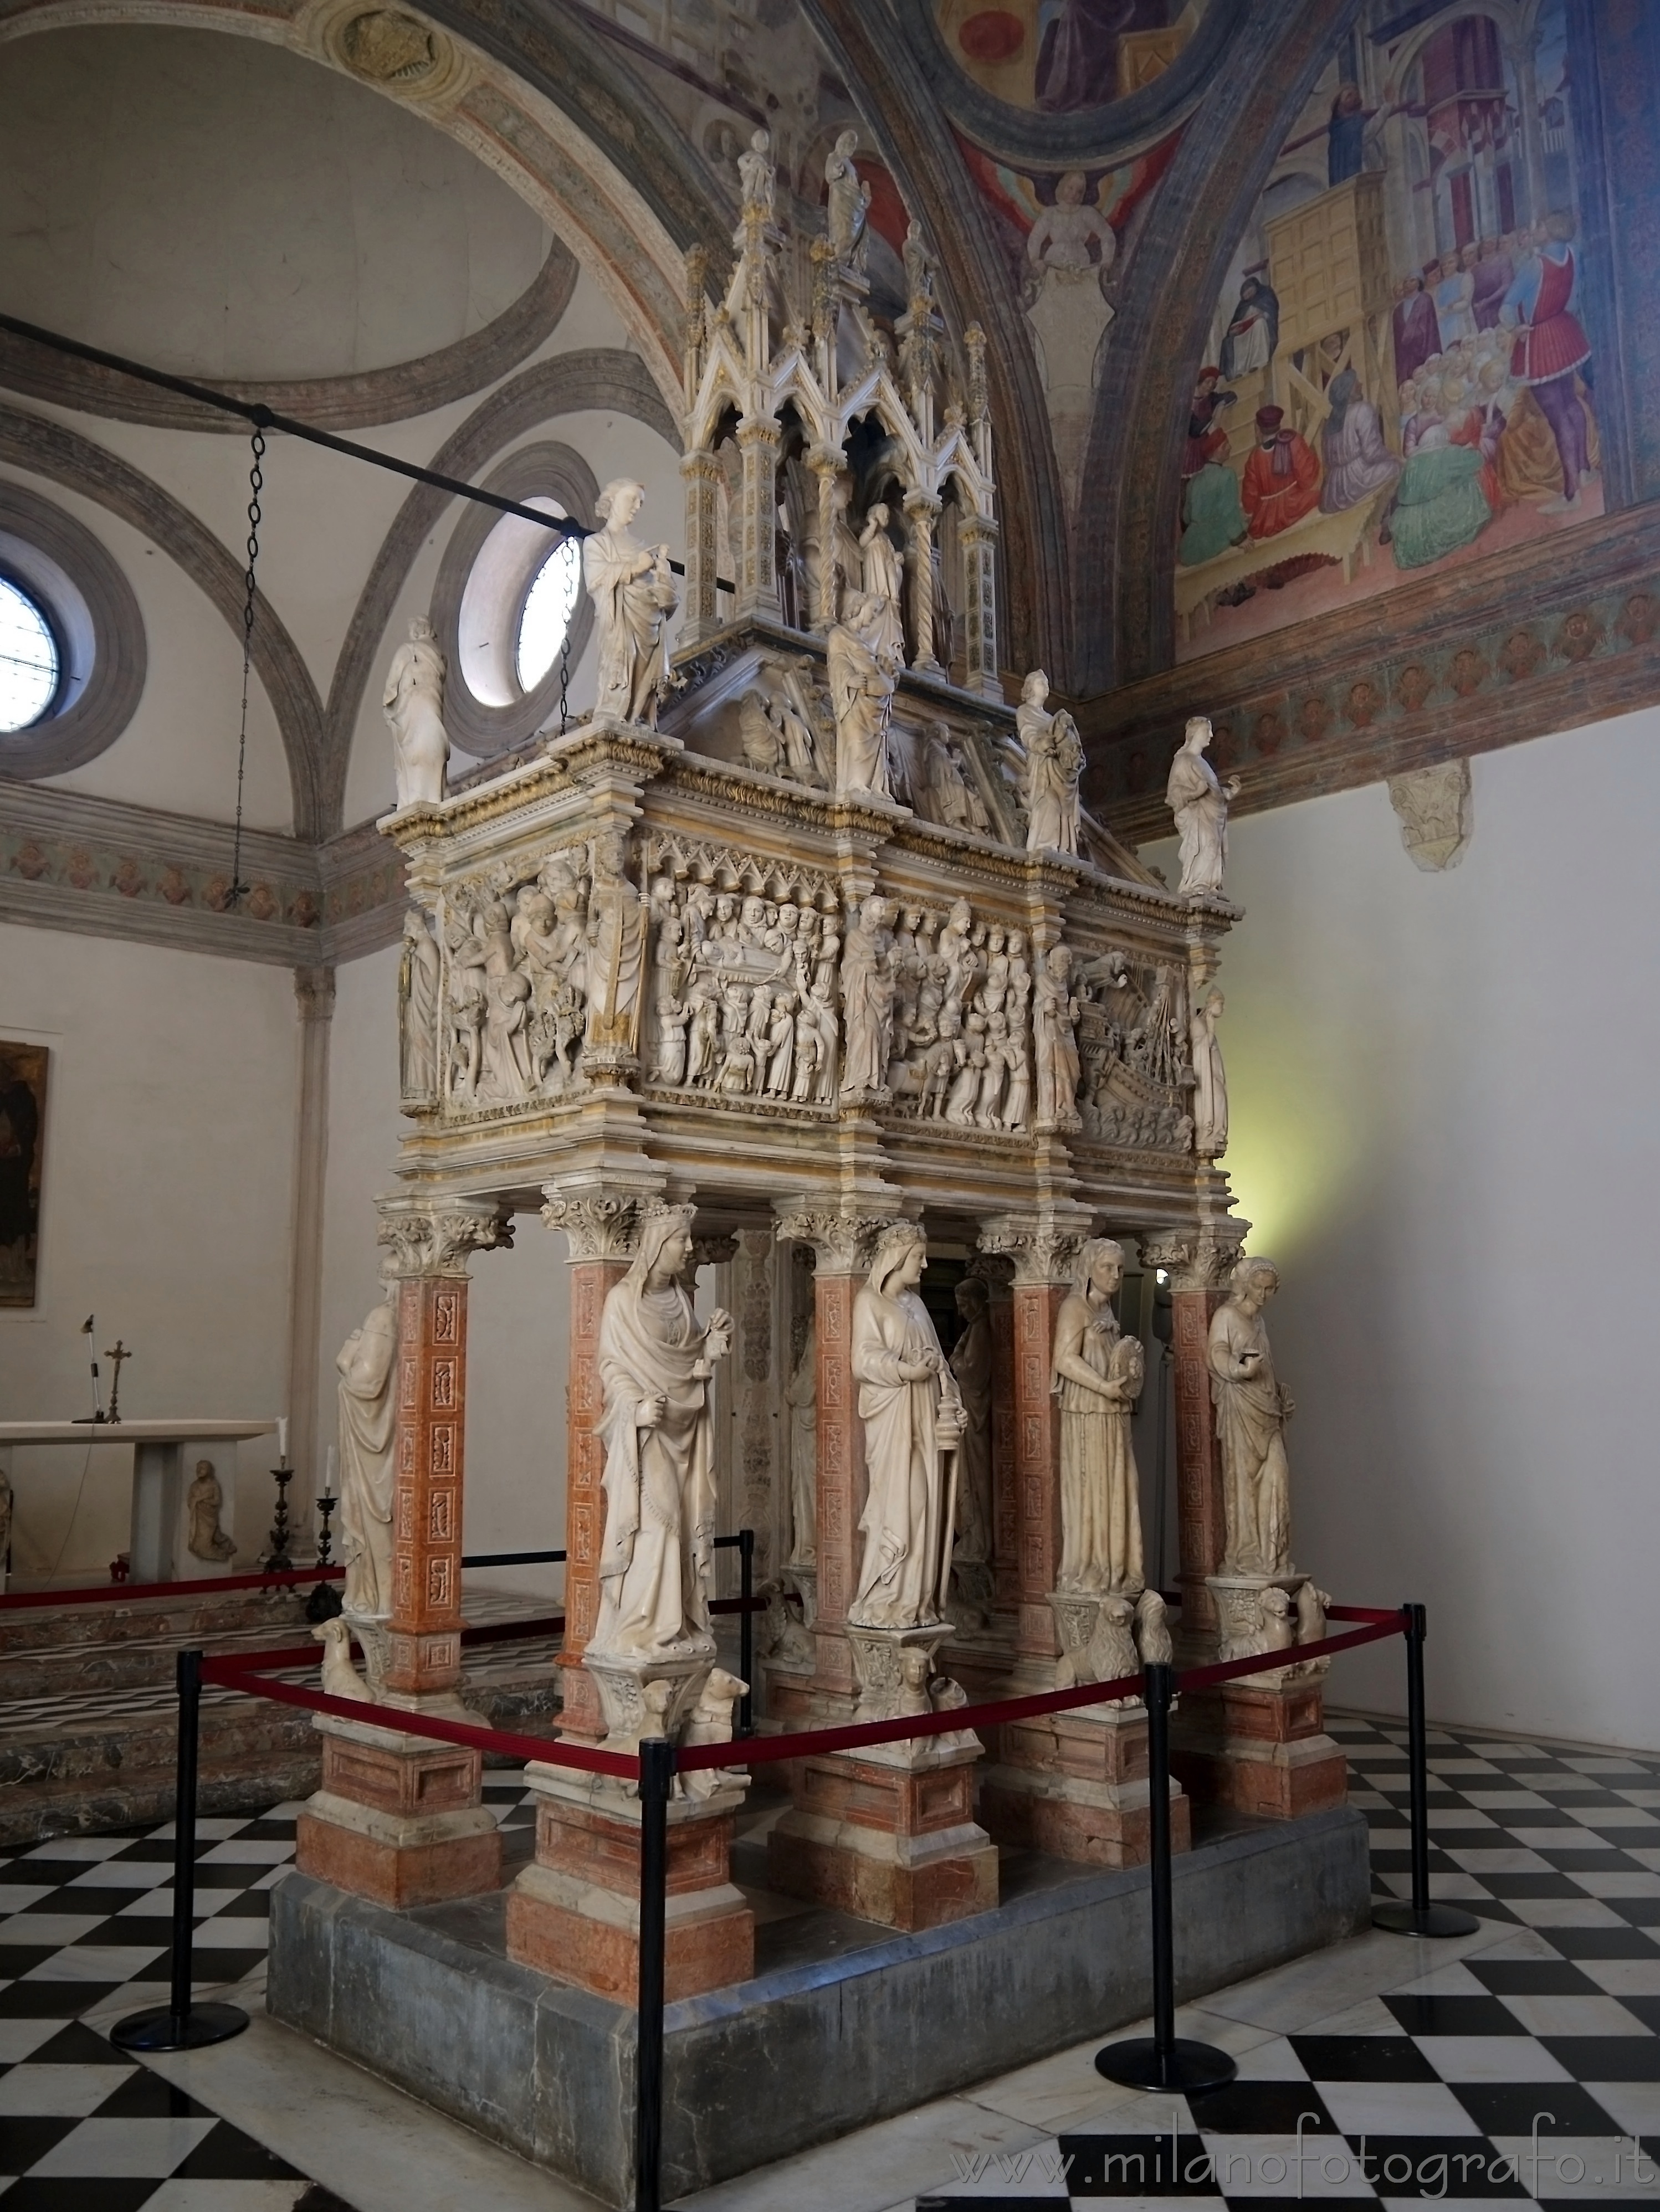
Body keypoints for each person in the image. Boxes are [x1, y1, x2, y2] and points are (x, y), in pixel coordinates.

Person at [591, 1207, 732, 1660]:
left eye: (689, 1240)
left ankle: (678, 1624)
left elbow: (688, 1365)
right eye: (681, 1241)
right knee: (659, 1522)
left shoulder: (679, 1299)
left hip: (684, 1431)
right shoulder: (622, 1302)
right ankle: (643, 1627)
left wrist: (708, 1351)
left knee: (685, 1524)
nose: (689, 1248)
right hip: (647, 1433)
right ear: (657, 1244)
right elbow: (611, 1367)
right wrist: (635, 1406)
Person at [847, 1225, 963, 1631]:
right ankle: (885, 1594)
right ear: (897, 1257)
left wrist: (954, 1401)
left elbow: (941, 1364)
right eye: (918, 1256)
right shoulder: (870, 1302)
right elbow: (862, 1361)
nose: (925, 1264)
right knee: (902, 1503)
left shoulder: (917, 1305)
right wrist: (906, 1371)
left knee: (926, 1506)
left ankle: (916, 1600)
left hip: (926, 1419)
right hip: (894, 1419)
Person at [1051, 1239, 1145, 1595]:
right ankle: (1091, 1567)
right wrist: (1103, 1386)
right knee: (1095, 1490)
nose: (1116, 1275)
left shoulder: (1107, 1314)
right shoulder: (1075, 1307)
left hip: (1112, 1414)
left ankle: (1117, 1569)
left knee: (1122, 1486)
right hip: (1087, 1414)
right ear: (1089, 1269)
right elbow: (1063, 1359)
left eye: (1120, 1268)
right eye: (1108, 1267)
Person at [1207, 1256, 1294, 1577]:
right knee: (1243, 1483)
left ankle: (1271, 1555)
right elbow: (1216, 1351)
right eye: (1258, 1287)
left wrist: (1278, 1395)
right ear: (1244, 1285)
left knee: (1278, 1479)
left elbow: (1265, 1365)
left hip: (1266, 1411)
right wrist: (1239, 1370)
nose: (1263, 1295)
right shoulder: (1227, 1316)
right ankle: (1246, 1554)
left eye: (1269, 1290)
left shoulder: (1259, 1323)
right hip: (1241, 1410)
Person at [1502, 211, 1594, 511]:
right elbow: (1575, 299)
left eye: (1540, 225)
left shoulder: (1535, 265)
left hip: (1540, 340)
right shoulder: (1572, 253)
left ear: (1550, 229)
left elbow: (1508, 306)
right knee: (1570, 403)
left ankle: (1570, 494)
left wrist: (1515, 329)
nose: (1537, 229)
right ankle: (1584, 470)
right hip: (1565, 332)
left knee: (1558, 417)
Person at [583, 478, 679, 726]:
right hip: (620, 619)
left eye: (640, 502)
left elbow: (664, 599)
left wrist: (662, 573)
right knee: (622, 659)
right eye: (631, 499)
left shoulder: (644, 547)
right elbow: (596, 579)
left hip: (649, 623)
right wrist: (635, 568)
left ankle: (638, 717)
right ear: (612, 501)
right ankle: (616, 714)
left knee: (644, 674)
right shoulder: (597, 543)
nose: (637, 506)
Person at [1165, 714, 1239, 896]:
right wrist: (1194, 793)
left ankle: (1209, 885)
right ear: (1195, 733)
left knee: (1214, 848)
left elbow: (1212, 792)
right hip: (1197, 818)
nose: (1212, 735)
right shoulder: (1183, 761)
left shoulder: (1203, 763)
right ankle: (1198, 883)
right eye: (1208, 730)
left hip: (1211, 817)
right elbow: (1173, 794)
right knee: (1206, 845)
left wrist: (1229, 793)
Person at [1318, 367, 1401, 512]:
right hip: (1356, 480)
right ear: (1348, 391)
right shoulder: (1362, 410)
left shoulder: (1329, 421)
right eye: (1356, 383)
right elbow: (1372, 454)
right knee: (1396, 468)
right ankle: (1388, 517)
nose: (1360, 385)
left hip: (1333, 491)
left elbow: (1328, 461)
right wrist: (1392, 456)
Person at [1241, 406, 1321, 537]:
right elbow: (1308, 480)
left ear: (1259, 429)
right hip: (1295, 504)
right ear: (1279, 424)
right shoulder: (1293, 441)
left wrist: (1250, 514)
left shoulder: (1254, 457)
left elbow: (1250, 495)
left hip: (1267, 518)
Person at [1220, 274, 1279, 380]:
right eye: (1246, 295)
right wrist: (1233, 331)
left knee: (1259, 324)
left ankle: (1258, 362)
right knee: (1234, 340)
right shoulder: (1242, 306)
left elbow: (1273, 312)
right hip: (1245, 332)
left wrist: (1264, 315)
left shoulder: (1266, 295)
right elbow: (1234, 324)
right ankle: (1240, 371)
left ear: (1256, 288)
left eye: (1250, 292)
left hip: (1261, 327)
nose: (1249, 296)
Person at [1391, 270, 1442, 389]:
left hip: (1423, 349)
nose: (1408, 284)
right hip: (1405, 356)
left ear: (1419, 283)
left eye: (1412, 280)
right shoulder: (1398, 310)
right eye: (1406, 282)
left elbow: (1430, 326)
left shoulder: (1425, 300)